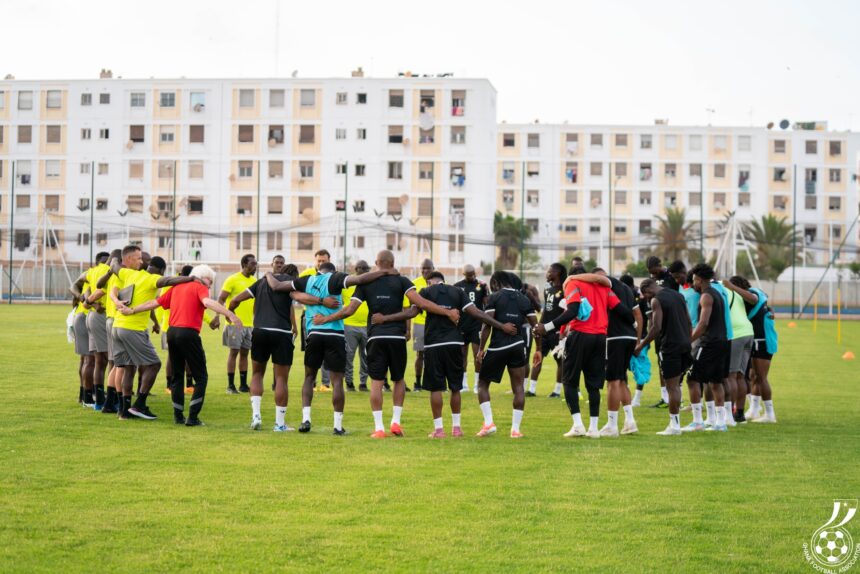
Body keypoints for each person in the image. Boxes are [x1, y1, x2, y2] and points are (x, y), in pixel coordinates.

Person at [311, 250, 460, 438]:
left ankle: (379, 428)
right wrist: (448, 313)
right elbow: (421, 303)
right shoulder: (403, 281)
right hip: (397, 338)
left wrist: (326, 319)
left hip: (376, 338)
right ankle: (395, 422)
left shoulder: (367, 282)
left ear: (376, 262)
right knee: (398, 379)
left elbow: (349, 310)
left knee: (376, 382)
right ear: (393, 262)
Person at [265, 262, 398, 435]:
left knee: (309, 377)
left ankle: (306, 419)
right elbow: (360, 278)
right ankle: (337, 426)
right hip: (335, 335)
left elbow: (276, 286)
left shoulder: (307, 280)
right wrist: (384, 272)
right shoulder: (336, 279)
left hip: (314, 334)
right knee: (337, 381)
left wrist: (268, 274)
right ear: (333, 271)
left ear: (318, 270)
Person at [120, 265, 241, 426]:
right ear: (201, 277)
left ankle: (178, 417)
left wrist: (132, 310)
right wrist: (230, 314)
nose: (210, 285)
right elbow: (207, 302)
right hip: (188, 334)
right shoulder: (199, 287)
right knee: (201, 377)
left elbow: (154, 303)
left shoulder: (176, 287)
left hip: (172, 333)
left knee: (177, 376)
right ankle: (192, 418)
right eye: (210, 281)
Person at [535, 269, 631, 438]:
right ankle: (593, 429)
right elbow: (623, 311)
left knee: (569, 381)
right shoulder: (602, 287)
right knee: (593, 384)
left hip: (580, 335)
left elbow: (572, 311)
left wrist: (547, 327)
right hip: (601, 338)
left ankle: (578, 425)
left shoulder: (573, 283)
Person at [109, 248, 198, 420]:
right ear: (160, 270)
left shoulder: (128, 273)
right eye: (138, 258)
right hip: (133, 328)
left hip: (117, 326)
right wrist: (190, 278)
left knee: (129, 368)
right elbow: (169, 280)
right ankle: (140, 404)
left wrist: (114, 262)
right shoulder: (152, 279)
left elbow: (114, 264)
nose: (140, 261)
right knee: (154, 364)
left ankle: (124, 412)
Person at [228, 263, 298, 432]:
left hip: (260, 331)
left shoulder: (261, 282)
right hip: (281, 332)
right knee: (281, 379)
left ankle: (256, 416)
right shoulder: (292, 283)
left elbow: (236, 299)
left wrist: (231, 314)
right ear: (294, 274)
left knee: (257, 374)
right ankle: (279, 424)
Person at [473, 271, 538, 438]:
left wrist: (481, 348)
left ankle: (488, 423)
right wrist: (538, 349)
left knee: (482, 384)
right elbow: (536, 327)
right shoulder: (524, 299)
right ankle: (515, 430)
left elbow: (487, 324)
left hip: (498, 347)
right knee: (518, 387)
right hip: (518, 345)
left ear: (495, 283)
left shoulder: (495, 297)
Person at [635, 279, 692, 436]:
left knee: (671, 387)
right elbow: (688, 321)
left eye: (645, 295)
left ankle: (674, 426)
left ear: (647, 289)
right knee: (677, 386)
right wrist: (688, 340)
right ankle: (676, 424)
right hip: (685, 345)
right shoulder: (678, 295)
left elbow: (656, 327)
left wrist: (641, 345)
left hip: (670, 346)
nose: (646, 298)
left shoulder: (656, 300)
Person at [724, 277, 777, 423]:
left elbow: (754, 299)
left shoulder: (752, 293)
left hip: (763, 340)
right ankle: (754, 409)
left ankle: (770, 413)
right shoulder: (747, 299)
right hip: (753, 339)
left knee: (761, 377)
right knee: (752, 376)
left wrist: (732, 287)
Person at [597, 268, 641, 436]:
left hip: (614, 337)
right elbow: (638, 314)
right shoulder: (627, 289)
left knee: (613, 382)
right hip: (629, 337)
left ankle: (612, 425)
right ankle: (630, 421)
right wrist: (637, 339)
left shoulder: (607, 285)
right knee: (622, 380)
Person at [689, 264, 731, 432]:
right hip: (723, 341)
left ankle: (697, 421)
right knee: (715, 381)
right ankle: (720, 423)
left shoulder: (706, 296)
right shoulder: (717, 293)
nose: (693, 284)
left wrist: (688, 340)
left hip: (709, 343)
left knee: (692, 379)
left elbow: (703, 323)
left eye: (694, 281)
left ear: (699, 280)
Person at [217, 254, 257, 394]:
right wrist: (219, 315)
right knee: (234, 352)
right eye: (252, 264)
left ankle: (243, 384)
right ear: (244, 265)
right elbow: (221, 299)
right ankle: (230, 385)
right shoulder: (232, 279)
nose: (255, 266)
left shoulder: (254, 281)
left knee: (245, 354)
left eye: (255, 263)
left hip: (249, 325)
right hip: (234, 324)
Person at [645, 255, 680, 409]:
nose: (653, 274)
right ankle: (664, 397)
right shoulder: (651, 281)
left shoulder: (671, 277)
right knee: (660, 361)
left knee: (674, 363)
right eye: (650, 273)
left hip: (672, 324)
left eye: (654, 271)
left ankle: (675, 394)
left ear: (660, 265)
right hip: (657, 325)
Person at [92, 248, 123, 414]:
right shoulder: (119, 274)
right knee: (115, 362)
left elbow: (97, 288)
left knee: (104, 361)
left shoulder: (104, 274)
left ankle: (99, 400)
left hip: (107, 318)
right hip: (114, 319)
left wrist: (87, 301)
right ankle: (113, 401)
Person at [527, 263, 566, 398]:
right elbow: (546, 311)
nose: (547, 273)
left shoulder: (565, 289)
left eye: (549, 271)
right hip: (544, 331)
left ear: (557, 273)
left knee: (560, 361)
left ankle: (557, 390)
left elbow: (566, 313)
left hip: (556, 332)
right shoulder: (548, 289)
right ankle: (531, 390)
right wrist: (539, 325)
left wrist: (562, 331)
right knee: (538, 357)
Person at [298, 249, 334, 392]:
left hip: (329, 319)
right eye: (318, 260)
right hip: (309, 318)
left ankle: (325, 384)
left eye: (323, 261)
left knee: (327, 352)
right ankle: (311, 383)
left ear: (329, 260)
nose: (320, 263)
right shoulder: (306, 275)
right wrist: (319, 302)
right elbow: (298, 295)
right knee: (311, 351)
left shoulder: (333, 276)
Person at [80, 252, 111, 410]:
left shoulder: (91, 272)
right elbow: (89, 291)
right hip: (93, 317)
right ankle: (96, 398)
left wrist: (90, 303)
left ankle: (90, 397)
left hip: (90, 316)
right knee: (100, 360)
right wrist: (92, 303)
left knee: (93, 360)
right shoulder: (106, 271)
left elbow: (85, 290)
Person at [722, 275, 755, 423]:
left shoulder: (723, 292)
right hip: (748, 333)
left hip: (735, 334)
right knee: (741, 376)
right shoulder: (739, 293)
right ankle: (739, 414)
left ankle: (728, 415)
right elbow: (755, 299)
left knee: (731, 376)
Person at [454, 264, 489, 393]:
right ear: (464, 275)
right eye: (469, 275)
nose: (472, 277)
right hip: (462, 325)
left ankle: (477, 384)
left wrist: (487, 291)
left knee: (477, 354)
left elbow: (487, 303)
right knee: (462, 355)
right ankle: (463, 384)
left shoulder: (482, 285)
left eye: (474, 274)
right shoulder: (457, 286)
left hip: (476, 325)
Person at [342, 260, 371, 392]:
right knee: (349, 355)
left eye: (367, 268)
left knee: (366, 356)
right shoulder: (348, 285)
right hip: (349, 325)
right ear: (356, 269)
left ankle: (363, 383)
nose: (365, 271)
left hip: (367, 326)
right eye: (362, 268)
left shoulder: (371, 284)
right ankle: (349, 382)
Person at [69, 265, 96, 407]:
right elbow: (73, 286)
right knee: (89, 359)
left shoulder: (93, 274)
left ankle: (85, 393)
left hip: (84, 317)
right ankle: (87, 396)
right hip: (85, 317)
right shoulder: (91, 273)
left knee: (86, 359)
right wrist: (81, 298)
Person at [408, 258, 435, 392]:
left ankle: (431, 383)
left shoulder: (440, 283)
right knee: (420, 354)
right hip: (419, 323)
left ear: (433, 269)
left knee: (434, 354)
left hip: (435, 324)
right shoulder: (414, 284)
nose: (425, 270)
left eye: (428, 268)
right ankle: (417, 383)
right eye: (423, 268)